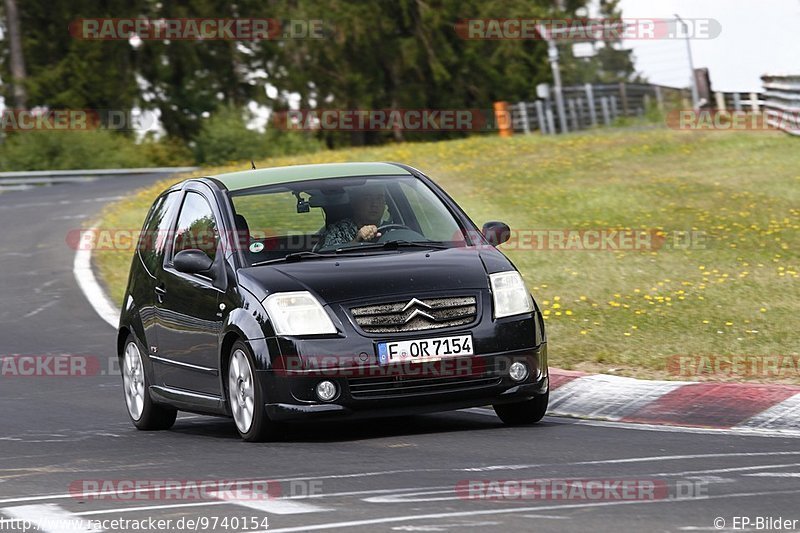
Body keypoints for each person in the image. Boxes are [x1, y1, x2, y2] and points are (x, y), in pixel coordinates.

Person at [317, 185, 386, 249]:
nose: (375, 204)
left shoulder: (393, 228)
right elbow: (331, 257)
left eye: (379, 198)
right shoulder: (338, 231)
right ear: (354, 203)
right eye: (367, 198)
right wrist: (357, 241)